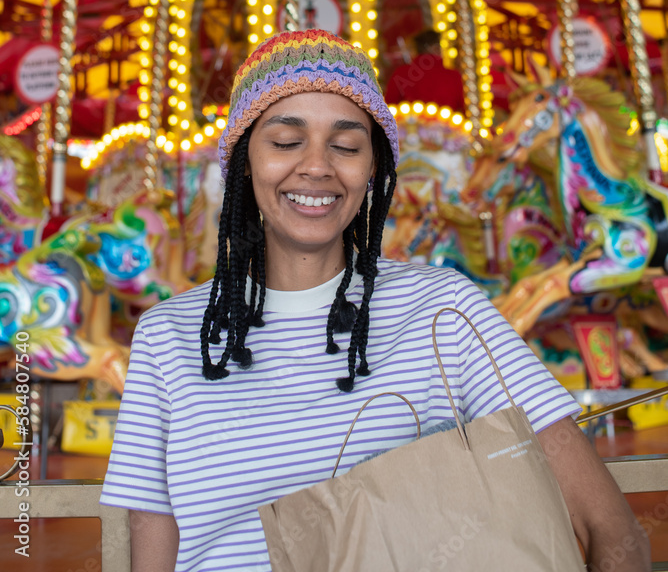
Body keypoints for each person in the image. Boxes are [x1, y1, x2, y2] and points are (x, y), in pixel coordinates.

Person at [100, 30, 649, 572]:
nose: (316, 166)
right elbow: (154, 536)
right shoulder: (168, 337)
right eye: (286, 141)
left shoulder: (445, 311)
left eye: (346, 145)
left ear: (374, 170)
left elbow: (609, 526)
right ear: (245, 161)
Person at [385, 28, 466, 110]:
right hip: (447, 121)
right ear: (436, 49)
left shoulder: (401, 73)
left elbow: (389, 106)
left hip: (409, 122)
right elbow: (464, 107)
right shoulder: (454, 76)